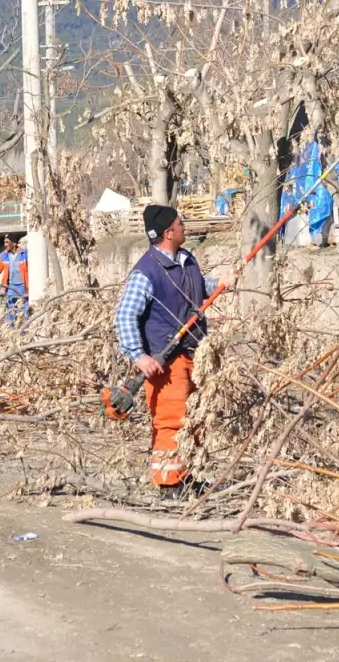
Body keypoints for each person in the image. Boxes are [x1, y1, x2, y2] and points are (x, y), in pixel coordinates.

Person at [113, 205, 235, 495]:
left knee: (194, 418)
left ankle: (188, 476)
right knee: (172, 421)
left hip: (195, 354)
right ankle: (169, 485)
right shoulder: (146, 272)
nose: (185, 226)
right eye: (181, 223)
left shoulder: (186, 259)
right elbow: (125, 316)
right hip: (166, 362)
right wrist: (139, 356)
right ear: (169, 232)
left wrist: (221, 284)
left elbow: (199, 286)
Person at [0, 233, 29, 323]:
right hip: (10, 287)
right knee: (10, 311)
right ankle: (9, 332)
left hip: (24, 287)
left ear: (14, 243)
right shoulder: (3, 255)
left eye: (7, 242)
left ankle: (25, 333)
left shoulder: (24, 254)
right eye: (4, 242)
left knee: (25, 311)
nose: (5, 245)